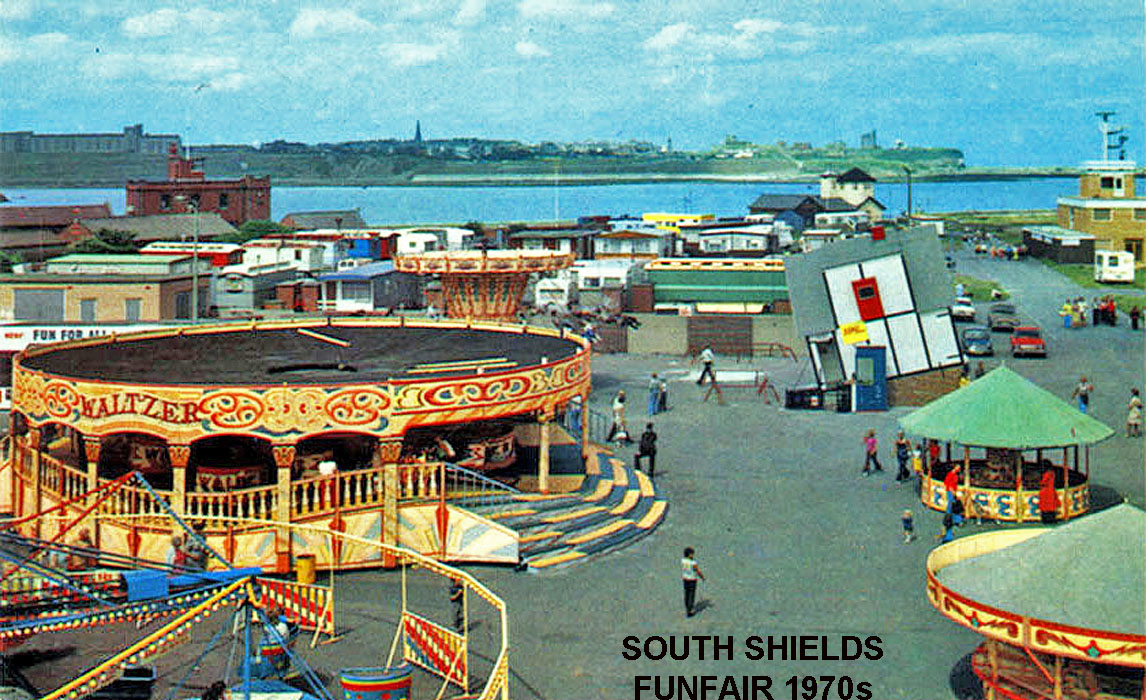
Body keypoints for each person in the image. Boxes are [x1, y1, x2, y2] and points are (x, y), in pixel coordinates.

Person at [681, 547, 705, 618]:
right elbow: (697, 570)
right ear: (689, 555)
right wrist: (702, 577)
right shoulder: (693, 563)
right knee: (691, 594)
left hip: (685, 578)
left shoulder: (683, 560)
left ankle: (687, 606)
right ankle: (689, 609)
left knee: (686, 593)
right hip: (692, 579)